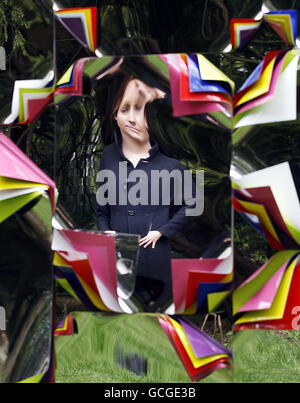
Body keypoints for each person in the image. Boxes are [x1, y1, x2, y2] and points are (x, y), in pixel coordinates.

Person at [96, 73, 196, 311]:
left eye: (139, 109)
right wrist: (105, 232)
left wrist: (163, 232)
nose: (131, 118)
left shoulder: (172, 167)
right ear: (115, 116)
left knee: (154, 321)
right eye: (124, 109)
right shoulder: (108, 158)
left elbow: (192, 204)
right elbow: (101, 209)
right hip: (117, 258)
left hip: (154, 257)